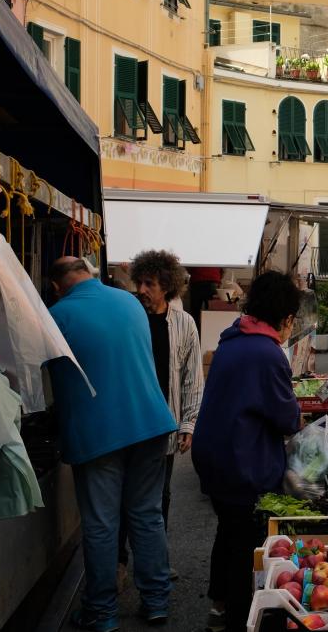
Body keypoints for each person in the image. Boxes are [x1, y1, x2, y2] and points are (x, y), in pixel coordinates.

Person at [47, 257, 176, 631]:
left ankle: (101, 613)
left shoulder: (58, 316)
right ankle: (156, 602)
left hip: (100, 434)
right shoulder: (129, 303)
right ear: (88, 271)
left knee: (102, 524)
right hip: (151, 423)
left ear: (58, 285)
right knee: (146, 515)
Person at [192, 272, 302, 632]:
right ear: (284, 317)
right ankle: (238, 617)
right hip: (242, 462)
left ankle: (219, 607)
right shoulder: (266, 353)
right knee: (244, 544)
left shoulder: (233, 340)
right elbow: (287, 418)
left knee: (227, 530)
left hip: (214, 455)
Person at [124, 250, 203, 571]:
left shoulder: (184, 323)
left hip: (163, 423)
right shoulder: (129, 317)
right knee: (124, 497)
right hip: (129, 423)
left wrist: (188, 424)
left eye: (150, 284)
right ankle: (120, 558)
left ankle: (158, 559)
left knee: (162, 496)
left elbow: (192, 377)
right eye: (139, 282)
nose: (142, 290)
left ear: (166, 287)